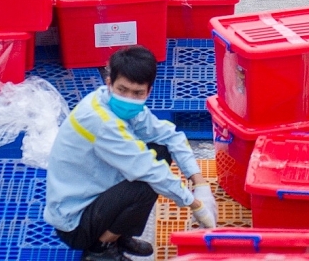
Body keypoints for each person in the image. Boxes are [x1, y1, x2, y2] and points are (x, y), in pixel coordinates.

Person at [44, 46, 217, 261]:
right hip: (75, 222)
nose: (128, 98)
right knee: (147, 182)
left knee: (160, 151)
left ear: (148, 91)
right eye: (122, 89)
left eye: (137, 93)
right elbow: (149, 171)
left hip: (97, 195)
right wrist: (196, 205)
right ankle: (100, 248)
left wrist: (200, 184)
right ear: (109, 83)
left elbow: (170, 135)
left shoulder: (126, 107)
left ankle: (118, 236)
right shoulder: (100, 120)